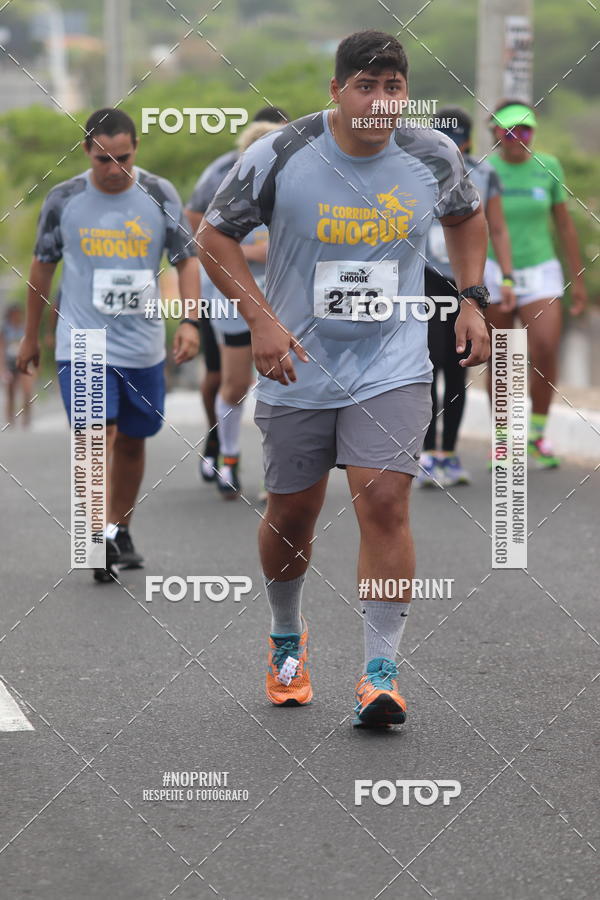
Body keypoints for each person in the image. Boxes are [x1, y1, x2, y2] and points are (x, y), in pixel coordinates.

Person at [199, 30, 490, 727]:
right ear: (336, 92)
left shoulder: (431, 154)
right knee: (293, 514)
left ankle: (380, 672)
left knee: (385, 500)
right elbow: (213, 237)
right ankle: (286, 638)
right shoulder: (281, 154)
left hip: (392, 363)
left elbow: (466, 217)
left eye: (393, 88)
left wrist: (471, 300)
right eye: (366, 86)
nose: (380, 102)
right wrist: (262, 321)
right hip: (296, 361)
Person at [17, 108, 200, 581]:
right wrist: (31, 337)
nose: (114, 170)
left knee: (134, 443)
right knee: (96, 438)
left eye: (123, 157)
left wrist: (190, 322)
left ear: (136, 149)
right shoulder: (65, 198)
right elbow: (41, 267)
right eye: (103, 160)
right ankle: (95, 537)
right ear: (86, 153)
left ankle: (119, 530)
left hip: (142, 345)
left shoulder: (159, 194)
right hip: (83, 341)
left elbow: (186, 261)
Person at [185, 106, 289, 483]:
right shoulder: (224, 173)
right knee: (232, 381)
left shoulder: (299, 172)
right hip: (230, 289)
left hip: (281, 290)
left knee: (282, 381)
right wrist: (246, 253)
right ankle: (225, 453)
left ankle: (281, 467)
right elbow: (199, 231)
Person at [486, 100, 588, 468]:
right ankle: (501, 441)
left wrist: (577, 280)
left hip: (541, 269)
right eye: (508, 131)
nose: (517, 139)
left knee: (544, 346)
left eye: (524, 131)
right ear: (496, 135)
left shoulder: (549, 167)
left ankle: (537, 435)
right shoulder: (484, 170)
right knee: (502, 356)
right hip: (495, 270)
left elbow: (564, 225)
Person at [418, 107, 515, 487]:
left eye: (458, 140)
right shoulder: (416, 169)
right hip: (425, 277)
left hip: (467, 279)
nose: (453, 148)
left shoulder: (485, 173)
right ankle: (426, 450)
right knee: (427, 363)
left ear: (469, 140)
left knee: (459, 363)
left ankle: (449, 453)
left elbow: (499, 228)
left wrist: (506, 276)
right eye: (445, 140)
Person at [0, 304, 34, 427]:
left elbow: (32, 345)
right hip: (9, 363)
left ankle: (27, 419)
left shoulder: (25, 328)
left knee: (27, 391)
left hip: (23, 362)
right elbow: (1, 349)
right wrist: (2, 369)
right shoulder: (5, 329)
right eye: (14, 314)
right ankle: (10, 419)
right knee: (10, 392)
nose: (17, 316)